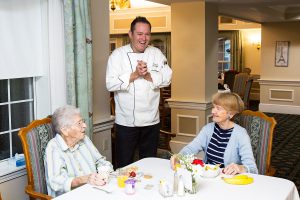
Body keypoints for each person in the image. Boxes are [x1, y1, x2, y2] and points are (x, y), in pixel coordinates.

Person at [106, 16, 172, 168]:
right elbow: (110, 84)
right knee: (124, 165)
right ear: (130, 34)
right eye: (140, 34)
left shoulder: (156, 54)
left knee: (150, 165)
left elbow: (168, 77)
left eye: (147, 34)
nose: (144, 38)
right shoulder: (117, 55)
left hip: (151, 121)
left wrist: (148, 75)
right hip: (126, 122)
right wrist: (135, 75)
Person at [170, 92, 258, 175]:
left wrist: (239, 168)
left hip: (229, 180)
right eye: (214, 107)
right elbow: (191, 148)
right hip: (208, 177)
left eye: (218, 108)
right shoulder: (208, 129)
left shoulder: (240, 134)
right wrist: (179, 157)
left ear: (230, 114)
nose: (213, 111)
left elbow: (252, 168)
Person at [44, 105, 113, 197]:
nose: (85, 126)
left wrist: (104, 172)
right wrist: (84, 179)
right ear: (65, 130)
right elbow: (56, 182)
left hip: (95, 191)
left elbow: (101, 162)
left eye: (83, 121)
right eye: (79, 123)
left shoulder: (84, 139)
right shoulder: (53, 147)